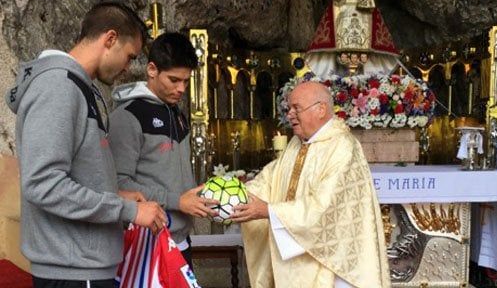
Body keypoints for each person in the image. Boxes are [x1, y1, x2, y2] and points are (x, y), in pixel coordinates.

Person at [4, 2, 168, 288]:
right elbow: (44, 184)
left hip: (84, 266)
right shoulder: (57, 86)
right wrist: (128, 211)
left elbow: (75, 175)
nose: (128, 68)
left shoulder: (79, 87)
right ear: (110, 39)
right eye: (129, 57)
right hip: (72, 270)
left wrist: (117, 195)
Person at [231, 81, 390, 288]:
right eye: (289, 109)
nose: (289, 115)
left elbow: (325, 207)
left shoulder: (343, 147)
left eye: (296, 108)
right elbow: (269, 180)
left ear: (321, 109)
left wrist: (268, 211)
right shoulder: (297, 143)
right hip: (294, 261)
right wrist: (230, 195)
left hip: (329, 265)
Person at [108, 32, 218, 266]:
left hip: (180, 240)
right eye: (174, 80)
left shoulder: (178, 115)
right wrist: (177, 201)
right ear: (151, 70)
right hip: (145, 243)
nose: (181, 89)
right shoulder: (127, 117)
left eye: (186, 81)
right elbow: (117, 184)